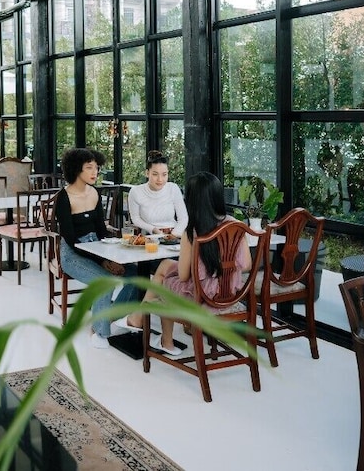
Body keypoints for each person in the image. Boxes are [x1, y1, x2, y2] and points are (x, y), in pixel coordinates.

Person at [115, 171, 250, 358]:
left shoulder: (192, 231)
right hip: (230, 294)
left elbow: (184, 275)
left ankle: (153, 330)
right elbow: (247, 265)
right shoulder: (236, 225)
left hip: (202, 298)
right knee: (165, 266)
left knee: (165, 282)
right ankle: (149, 328)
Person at [54, 147, 140, 349]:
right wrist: (103, 261)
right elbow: (72, 240)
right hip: (73, 254)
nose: (95, 172)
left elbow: (101, 231)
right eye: (89, 168)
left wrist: (114, 255)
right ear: (76, 169)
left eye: (97, 168)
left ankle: (112, 317)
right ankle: (99, 332)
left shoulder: (94, 193)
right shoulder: (63, 198)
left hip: (97, 247)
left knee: (136, 275)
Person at [127, 150, 187, 237]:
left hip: (175, 235)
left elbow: (183, 218)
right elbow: (135, 218)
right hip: (150, 236)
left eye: (164, 174)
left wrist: (173, 235)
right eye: (155, 174)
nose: (160, 179)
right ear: (147, 173)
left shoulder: (173, 188)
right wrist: (153, 229)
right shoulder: (136, 192)